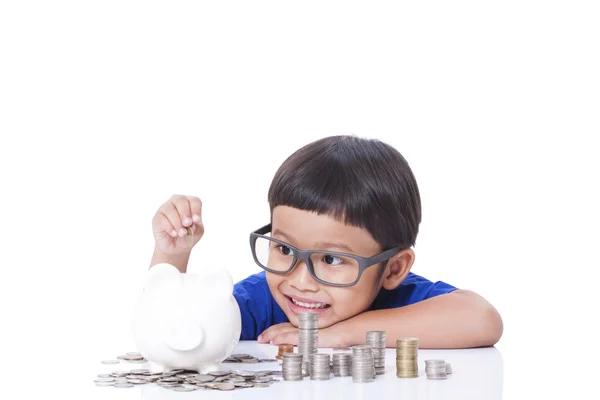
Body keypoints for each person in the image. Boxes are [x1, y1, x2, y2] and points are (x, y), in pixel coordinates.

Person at [149, 135, 503, 348]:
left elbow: (483, 319)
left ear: (393, 268)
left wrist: (344, 334)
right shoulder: (262, 300)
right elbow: (170, 329)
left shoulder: (403, 300)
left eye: (332, 259)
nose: (300, 282)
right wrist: (170, 255)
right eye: (285, 249)